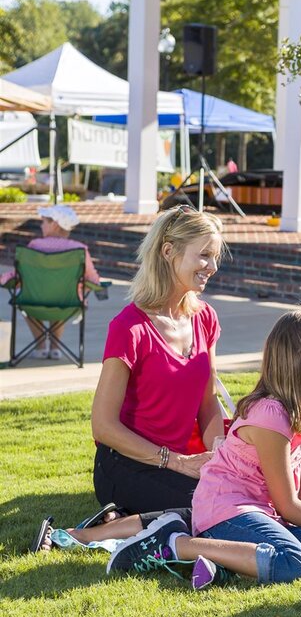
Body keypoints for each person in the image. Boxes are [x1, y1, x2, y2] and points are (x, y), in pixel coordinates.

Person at [105, 310, 301, 587]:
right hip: (226, 511)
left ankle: (235, 564)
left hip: (266, 515)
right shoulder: (271, 414)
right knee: (297, 565)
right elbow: (288, 505)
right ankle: (176, 544)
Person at [90, 206, 226, 521]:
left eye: (215, 256)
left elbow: (207, 403)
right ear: (168, 251)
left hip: (177, 462)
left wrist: (219, 453)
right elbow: (103, 425)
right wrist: (176, 461)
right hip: (124, 464)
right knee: (208, 509)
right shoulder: (129, 327)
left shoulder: (205, 318)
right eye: (204, 255)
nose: (212, 266)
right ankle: (91, 532)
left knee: (237, 493)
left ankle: (125, 519)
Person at [0, 205, 101, 360]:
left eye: (44, 222)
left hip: (32, 304)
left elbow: (18, 276)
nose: (41, 225)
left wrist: (4, 279)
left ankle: (40, 347)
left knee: (26, 298)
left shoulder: (34, 246)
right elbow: (94, 280)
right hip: (69, 304)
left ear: (54, 224)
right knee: (61, 296)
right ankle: (55, 348)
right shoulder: (79, 250)